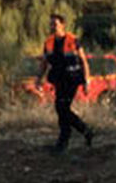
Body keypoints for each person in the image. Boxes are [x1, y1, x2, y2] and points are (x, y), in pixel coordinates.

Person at [34, 14, 94, 153]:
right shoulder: (48, 42)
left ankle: (65, 140)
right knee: (62, 109)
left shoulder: (73, 40)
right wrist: (38, 78)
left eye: (55, 24)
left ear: (63, 25)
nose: (52, 27)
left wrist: (87, 81)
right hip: (59, 79)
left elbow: (84, 61)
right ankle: (84, 132)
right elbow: (44, 63)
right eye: (51, 24)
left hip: (72, 79)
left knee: (61, 107)